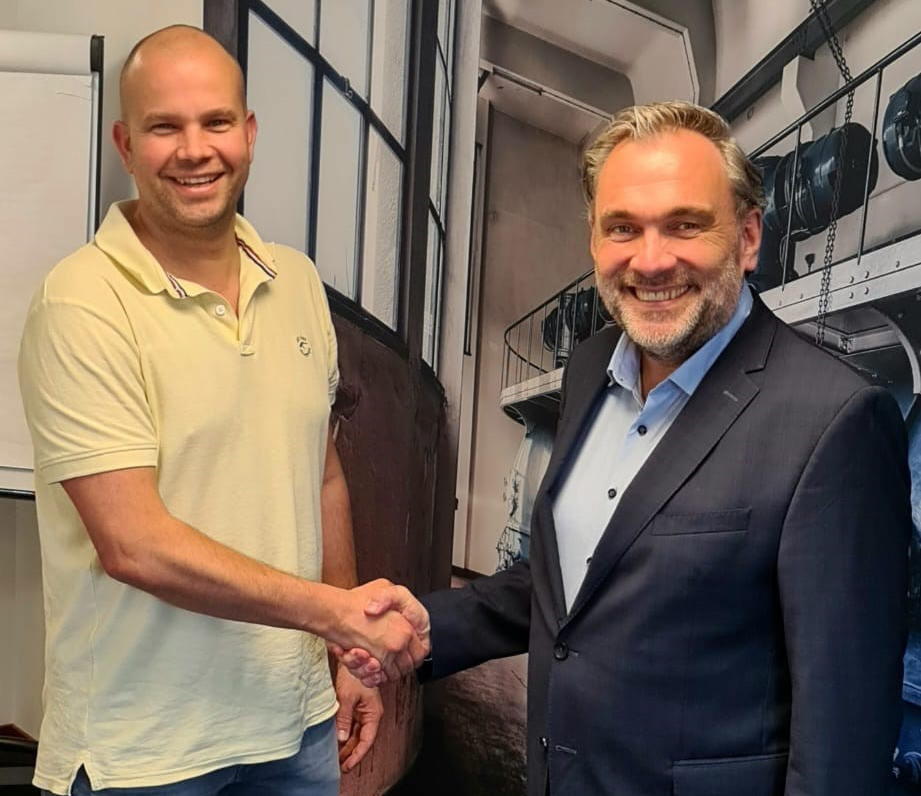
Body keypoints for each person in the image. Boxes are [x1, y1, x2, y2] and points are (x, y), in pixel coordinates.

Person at [340, 101, 912, 795]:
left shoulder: (834, 421)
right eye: (623, 228)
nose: (651, 259)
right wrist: (427, 624)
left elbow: (841, 752)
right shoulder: (590, 368)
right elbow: (571, 585)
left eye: (685, 225)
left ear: (748, 237)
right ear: (593, 241)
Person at [17, 25, 428, 796]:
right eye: (164, 126)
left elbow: (321, 479)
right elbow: (134, 544)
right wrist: (335, 614)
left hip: (295, 730)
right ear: (125, 143)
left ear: (248, 133)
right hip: (143, 754)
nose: (194, 150)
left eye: (215, 122)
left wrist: (345, 655)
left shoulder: (295, 282)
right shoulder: (81, 303)